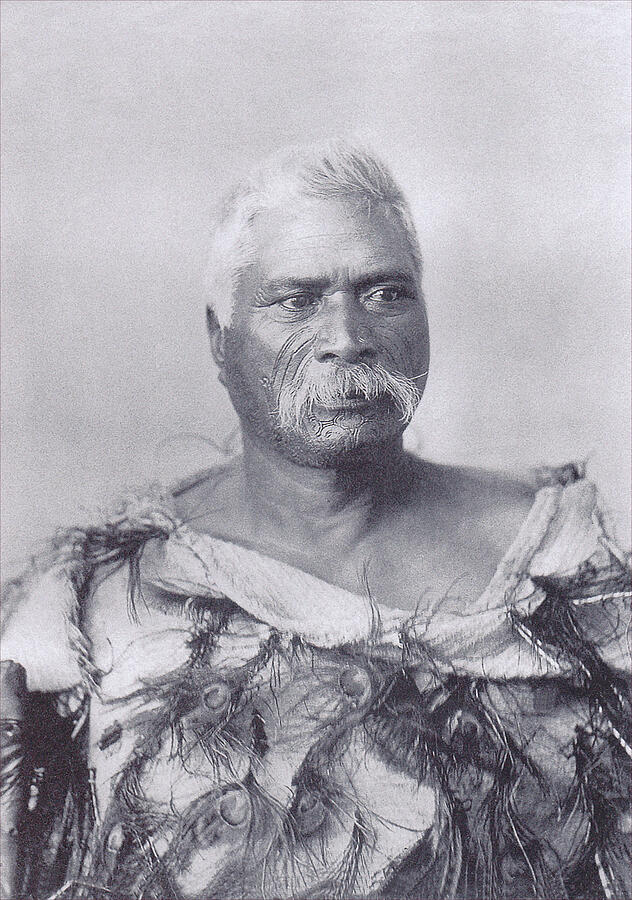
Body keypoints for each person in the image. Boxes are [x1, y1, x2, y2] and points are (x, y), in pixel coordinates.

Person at [1, 142, 630, 900]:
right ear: (219, 340)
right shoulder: (99, 606)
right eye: (297, 300)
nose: (348, 336)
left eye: (385, 292)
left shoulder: (566, 557)